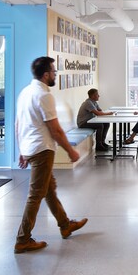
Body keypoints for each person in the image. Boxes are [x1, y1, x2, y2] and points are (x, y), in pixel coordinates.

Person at [14, 57, 88, 253]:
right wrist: (70, 150)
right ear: (46, 75)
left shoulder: (25, 92)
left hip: (30, 147)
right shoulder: (44, 95)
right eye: (54, 72)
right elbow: (55, 130)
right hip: (42, 149)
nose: (55, 75)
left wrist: (21, 150)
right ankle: (23, 239)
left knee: (49, 189)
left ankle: (65, 225)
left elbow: (18, 125)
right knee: (36, 194)